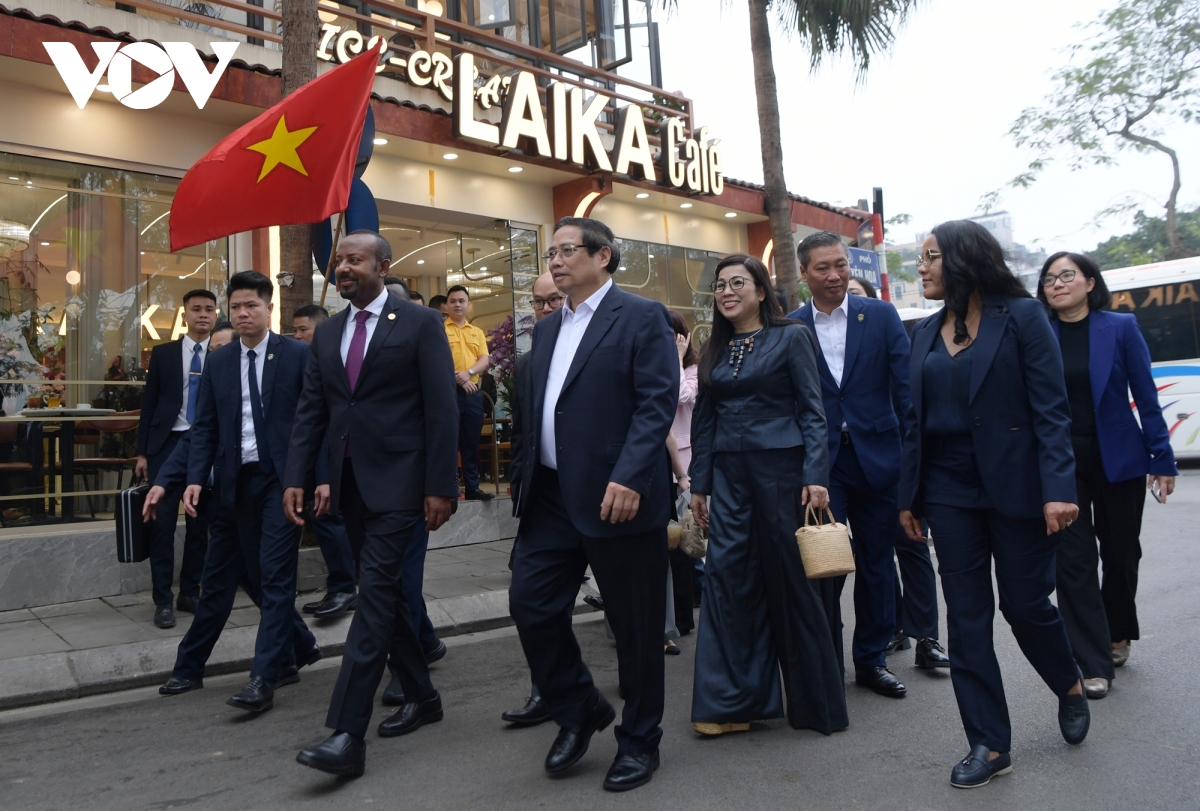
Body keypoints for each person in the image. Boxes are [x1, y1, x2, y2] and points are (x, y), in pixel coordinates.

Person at [899, 220, 1089, 789]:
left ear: (963, 259)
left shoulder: (1023, 317)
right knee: (966, 616)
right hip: (947, 490)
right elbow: (914, 423)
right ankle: (989, 743)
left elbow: (1051, 410)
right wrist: (910, 497)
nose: (921, 268)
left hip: (1018, 485)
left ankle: (1069, 683)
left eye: (931, 256)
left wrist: (1059, 488)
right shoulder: (925, 331)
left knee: (1025, 604)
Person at [508, 217, 678, 792]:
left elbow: (655, 402)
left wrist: (630, 475)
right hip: (552, 498)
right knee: (530, 605)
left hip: (617, 498)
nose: (555, 261)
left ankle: (640, 740)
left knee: (635, 628)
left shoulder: (642, 316)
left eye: (566, 251)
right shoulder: (549, 329)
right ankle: (579, 707)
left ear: (603, 256)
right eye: (550, 253)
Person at [284, 229, 459, 778]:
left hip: (403, 485)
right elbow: (313, 409)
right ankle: (423, 696)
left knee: (375, 599)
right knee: (389, 595)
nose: (343, 268)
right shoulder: (329, 332)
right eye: (339, 260)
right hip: (350, 486)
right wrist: (297, 476)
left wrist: (441, 485)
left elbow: (441, 407)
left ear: (382, 267)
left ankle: (347, 735)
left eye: (354, 260)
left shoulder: (420, 323)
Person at [689, 254, 847, 740]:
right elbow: (704, 422)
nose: (727, 291)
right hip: (729, 478)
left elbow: (812, 411)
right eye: (720, 285)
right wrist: (699, 484)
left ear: (761, 291)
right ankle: (732, 702)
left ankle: (816, 705)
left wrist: (815, 475)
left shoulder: (792, 336)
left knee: (791, 582)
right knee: (727, 581)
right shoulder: (712, 346)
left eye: (738, 282)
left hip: (783, 474)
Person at [149, 271, 321, 713]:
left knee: (275, 577)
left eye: (252, 306)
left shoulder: (298, 355)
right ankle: (191, 667)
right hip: (230, 484)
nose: (243, 314)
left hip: (280, 483)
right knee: (219, 578)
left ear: (269, 309)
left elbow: (316, 420)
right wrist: (192, 478)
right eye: (237, 306)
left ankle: (263, 678)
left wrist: (312, 479)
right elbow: (204, 426)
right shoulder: (220, 361)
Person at [791, 232, 948, 700]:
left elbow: (906, 391)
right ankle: (825, 663)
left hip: (880, 458)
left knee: (878, 563)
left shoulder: (879, 315)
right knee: (825, 563)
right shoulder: (791, 326)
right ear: (804, 273)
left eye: (840, 265)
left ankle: (871, 660)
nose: (834, 275)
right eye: (822, 268)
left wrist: (913, 461)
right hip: (823, 465)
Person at [1038, 251, 1177, 695]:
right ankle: (1092, 661)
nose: (1057, 284)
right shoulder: (1039, 333)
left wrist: (1162, 458)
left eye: (1067, 276)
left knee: (1121, 553)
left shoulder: (1120, 327)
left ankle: (1117, 630)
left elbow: (1146, 396)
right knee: (1073, 561)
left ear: (1090, 283)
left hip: (1119, 458)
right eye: (1049, 279)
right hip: (1063, 464)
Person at [501, 270, 565, 728]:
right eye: (538, 302)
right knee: (530, 599)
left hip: (604, 500)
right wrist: (518, 482)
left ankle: (634, 681)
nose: (545, 309)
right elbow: (522, 432)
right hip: (545, 500)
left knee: (622, 606)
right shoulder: (526, 365)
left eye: (554, 300)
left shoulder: (602, 347)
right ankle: (546, 689)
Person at [135, 288, 217, 628]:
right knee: (162, 525)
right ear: (185, 315)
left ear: (216, 315)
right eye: (196, 309)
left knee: (199, 526)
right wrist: (142, 452)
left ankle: (189, 593)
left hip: (205, 446)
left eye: (209, 309)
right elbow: (150, 403)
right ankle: (163, 601)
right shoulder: (164, 353)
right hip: (166, 445)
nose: (203, 314)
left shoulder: (223, 353)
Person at [443, 285, 494, 501]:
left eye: (461, 301)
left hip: (472, 392)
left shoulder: (477, 332)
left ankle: (473, 487)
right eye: (453, 301)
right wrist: (460, 379)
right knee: (449, 441)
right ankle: (449, 488)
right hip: (449, 392)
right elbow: (439, 360)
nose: (457, 304)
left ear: (469, 305)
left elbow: (484, 359)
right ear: (447, 305)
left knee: (471, 441)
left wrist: (469, 373)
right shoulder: (440, 329)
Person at [667, 309, 699, 635]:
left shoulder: (692, 369)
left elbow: (681, 396)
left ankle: (682, 617)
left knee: (682, 544)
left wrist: (677, 358)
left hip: (685, 467)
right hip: (659, 461)